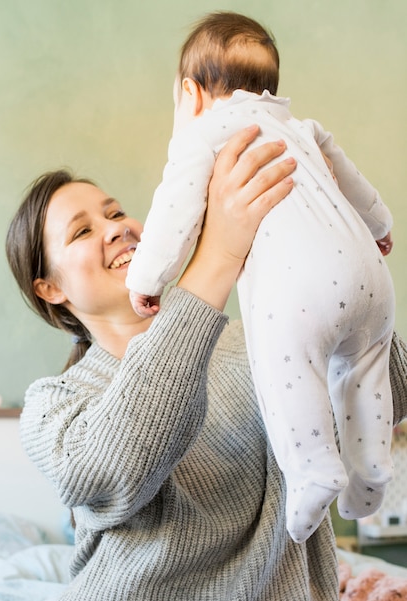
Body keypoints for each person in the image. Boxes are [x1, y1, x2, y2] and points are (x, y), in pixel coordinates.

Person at [6, 127, 407, 601]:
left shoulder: (259, 338)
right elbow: (114, 472)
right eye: (82, 231)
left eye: (114, 213)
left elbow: (390, 391)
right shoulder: (54, 404)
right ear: (49, 288)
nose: (116, 228)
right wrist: (217, 254)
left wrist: (337, 239)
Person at [125, 11, 396, 543]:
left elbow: (173, 209)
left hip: (304, 288)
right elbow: (355, 184)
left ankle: (314, 469)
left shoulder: (206, 131)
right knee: (365, 367)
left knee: (283, 365)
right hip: (371, 275)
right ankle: (372, 467)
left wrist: (148, 277)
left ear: (190, 91)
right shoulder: (302, 128)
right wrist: (381, 224)